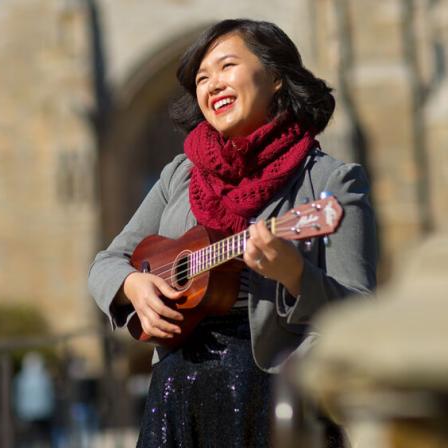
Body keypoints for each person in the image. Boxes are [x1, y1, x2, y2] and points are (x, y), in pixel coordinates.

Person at [88, 18, 377, 447]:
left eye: (226, 67)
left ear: (276, 77)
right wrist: (132, 285)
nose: (212, 85)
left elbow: (359, 309)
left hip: (277, 391)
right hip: (177, 393)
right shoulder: (179, 175)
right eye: (202, 78)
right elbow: (105, 263)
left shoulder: (332, 180)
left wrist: (297, 275)